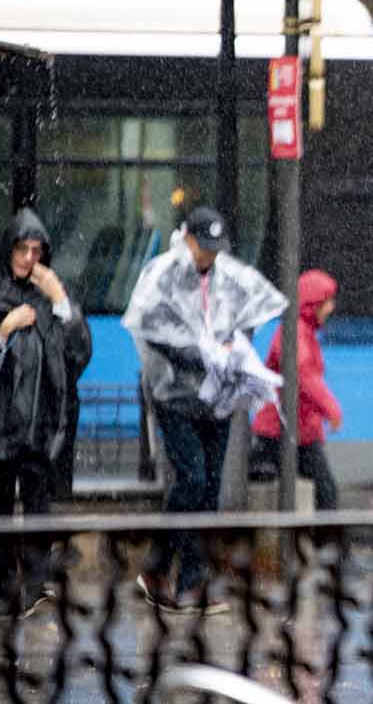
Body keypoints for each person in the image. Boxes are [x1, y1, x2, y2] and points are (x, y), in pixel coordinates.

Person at [123, 207, 286, 614]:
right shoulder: (163, 273)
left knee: (210, 486)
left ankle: (191, 585)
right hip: (174, 396)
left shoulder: (226, 276)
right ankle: (158, 566)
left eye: (217, 249)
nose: (210, 257)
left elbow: (248, 314)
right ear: (188, 240)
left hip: (217, 397)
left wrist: (235, 352)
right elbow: (148, 328)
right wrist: (196, 356)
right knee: (192, 477)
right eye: (204, 247)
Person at [0, 207, 92, 617]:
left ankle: (33, 583)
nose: (29, 258)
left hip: (39, 423)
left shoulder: (49, 298)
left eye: (36, 250)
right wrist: (4, 329)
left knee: (37, 502)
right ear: (7, 250)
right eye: (21, 249)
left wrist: (61, 300)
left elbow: (77, 354)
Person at [250, 269, 342, 510]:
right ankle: (323, 544)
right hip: (284, 430)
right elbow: (303, 373)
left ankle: (316, 542)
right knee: (325, 492)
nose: (331, 308)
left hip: (293, 429)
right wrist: (331, 408)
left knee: (322, 492)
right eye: (327, 301)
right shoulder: (295, 332)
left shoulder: (302, 330)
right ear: (312, 303)